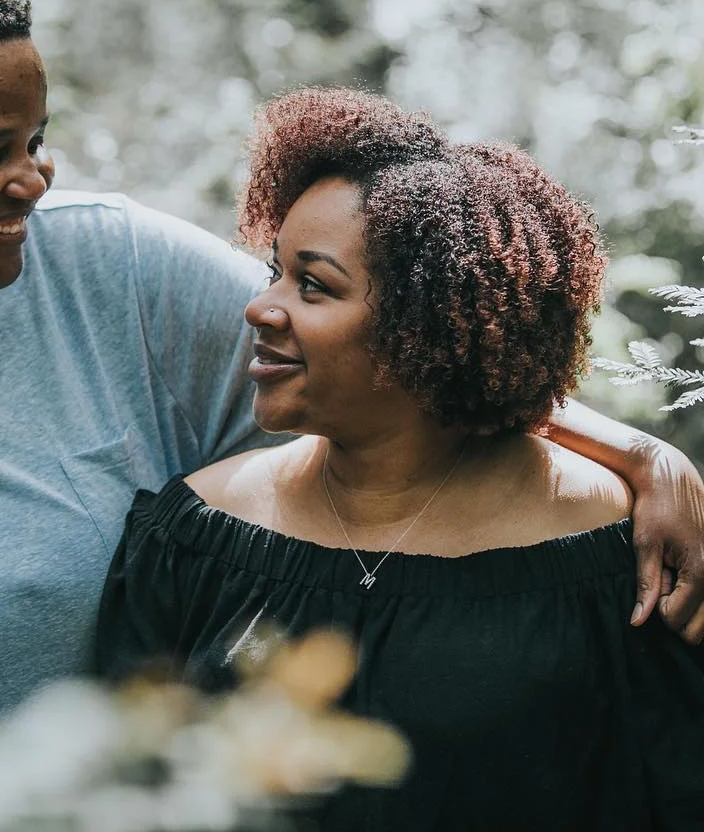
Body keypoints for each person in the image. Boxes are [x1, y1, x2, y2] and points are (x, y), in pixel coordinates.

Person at [0, 0, 700, 823]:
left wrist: (638, 454)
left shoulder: (112, 272)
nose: (32, 181)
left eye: (38, 141)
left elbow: (399, 348)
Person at [95, 87, 704, 831]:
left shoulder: (620, 558)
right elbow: (117, 796)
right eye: (274, 273)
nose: (261, 309)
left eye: (313, 286)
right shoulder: (188, 539)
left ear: (431, 326)